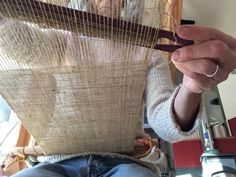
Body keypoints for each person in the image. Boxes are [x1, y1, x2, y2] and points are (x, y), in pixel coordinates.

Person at [0, 0, 236, 177]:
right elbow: (23, 45)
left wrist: (191, 88)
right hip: (56, 163)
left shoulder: (146, 50)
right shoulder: (61, 41)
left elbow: (165, 122)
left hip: (125, 162)